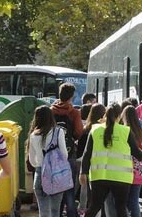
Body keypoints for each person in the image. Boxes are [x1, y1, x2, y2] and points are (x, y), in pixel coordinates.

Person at [79, 103, 142, 217]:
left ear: (105, 115)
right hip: (121, 177)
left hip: (99, 176)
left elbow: (87, 154)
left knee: (94, 207)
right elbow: (138, 155)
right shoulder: (125, 131)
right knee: (121, 209)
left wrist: (83, 172)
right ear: (119, 115)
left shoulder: (95, 129)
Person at [28, 105, 67, 217]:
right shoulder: (58, 132)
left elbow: (32, 160)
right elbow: (64, 154)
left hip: (40, 173)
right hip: (57, 174)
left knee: (43, 212)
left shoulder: (33, 135)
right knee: (55, 210)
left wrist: (40, 164)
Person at [51, 82, 83, 217]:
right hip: (69, 154)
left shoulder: (50, 110)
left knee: (55, 187)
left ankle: (56, 213)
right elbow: (78, 132)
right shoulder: (74, 112)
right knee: (69, 187)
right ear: (72, 96)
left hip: (52, 154)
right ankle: (71, 213)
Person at [121, 106, 142, 217]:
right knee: (134, 200)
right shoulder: (141, 131)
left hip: (127, 170)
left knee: (125, 201)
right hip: (140, 171)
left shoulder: (124, 131)